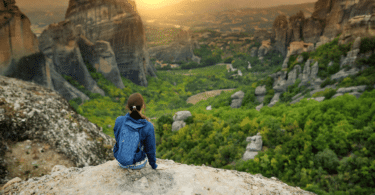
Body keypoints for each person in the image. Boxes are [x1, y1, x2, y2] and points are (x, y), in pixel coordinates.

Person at [113, 93, 158, 170]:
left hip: (120, 162)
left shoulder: (119, 120)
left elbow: (118, 139)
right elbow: (150, 150)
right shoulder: (148, 126)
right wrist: (153, 165)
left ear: (127, 107)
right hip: (136, 164)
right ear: (143, 106)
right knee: (144, 153)